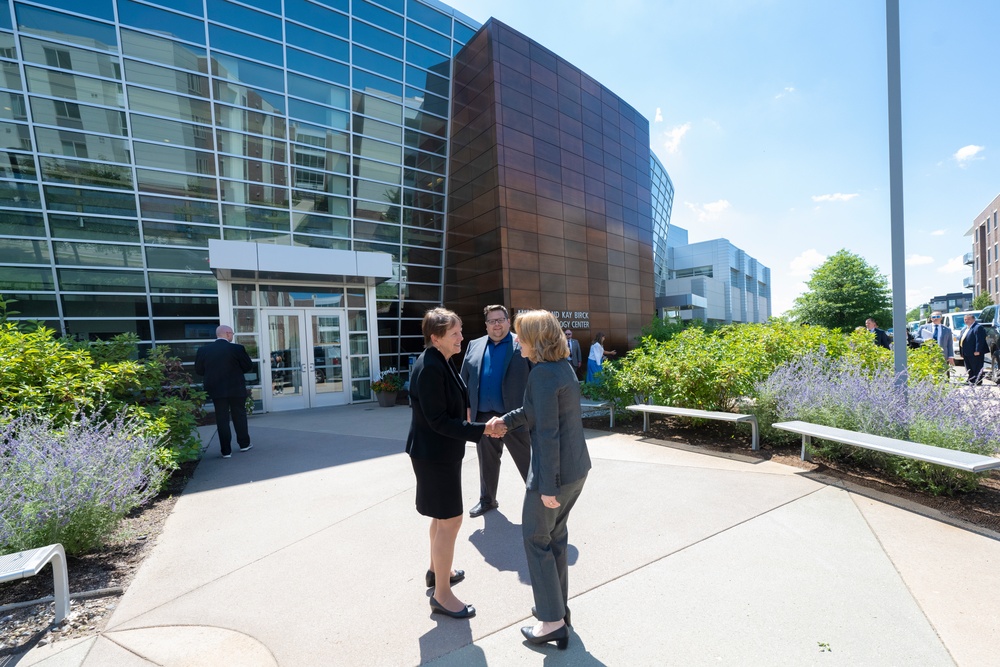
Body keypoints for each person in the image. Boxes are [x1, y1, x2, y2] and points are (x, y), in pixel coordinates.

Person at [492, 310, 592, 651]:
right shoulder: (559, 368)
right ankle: (558, 612)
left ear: (536, 339)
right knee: (555, 539)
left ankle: (551, 623)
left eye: (520, 334)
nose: (515, 339)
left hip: (555, 476)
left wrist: (547, 487)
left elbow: (548, 433)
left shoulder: (544, 374)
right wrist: (503, 421)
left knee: (536, 539)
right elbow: (536, 413)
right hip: (574, 471)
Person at [406, 307, 504, 620]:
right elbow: (438, 420)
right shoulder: (431, 367)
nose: (462, 337)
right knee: (451, 520)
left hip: (439, 453)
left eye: (460, 331)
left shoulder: (440, 360)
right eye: (455, 334)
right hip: (434, 454)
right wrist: (483, 429)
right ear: (435, 338)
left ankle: (437, 573)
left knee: (441, 517)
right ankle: (442, 595)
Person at [460, 305, 532, 518]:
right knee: (487, 461)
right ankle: (487, 500)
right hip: (483, 419)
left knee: (528, 462)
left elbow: (536, 378)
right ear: (486, 324)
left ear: (508, 321)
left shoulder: (523, 342)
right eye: (492, 321)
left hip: (516, 417)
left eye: (501, 319)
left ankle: (539, 502)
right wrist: (466, 408)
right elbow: (465, 379)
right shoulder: (474, 345)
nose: (497, 324)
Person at [195, 325, 254, 459]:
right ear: (227, 334)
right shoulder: (237, 349)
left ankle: (226, 451)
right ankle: (244, 444)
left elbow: (199, 370)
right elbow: (248, 366)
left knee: (222, 419)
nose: (232, 336)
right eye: (232, 333)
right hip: (236, 388)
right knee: (239, 415)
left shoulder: (204, 350)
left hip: (216, 389)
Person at [959, 313, 989, 385]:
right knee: (969, 367)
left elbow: (979, 340)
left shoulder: (978, 327)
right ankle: (971, 379)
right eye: (965, 319)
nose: (966, 321)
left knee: (976, 366)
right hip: (966, 352)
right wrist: (961, 352)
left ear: (973, 319)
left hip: (975, 352)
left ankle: (977, 380)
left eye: (968, 319)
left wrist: (977, 350)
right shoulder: (965, 328)